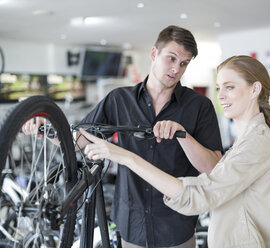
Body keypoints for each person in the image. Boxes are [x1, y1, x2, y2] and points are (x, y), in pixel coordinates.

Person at [79, 55, 270, 247]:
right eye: (219, 88)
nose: (221, 96)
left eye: (230, 87)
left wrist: (125, 157)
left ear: (254, 89)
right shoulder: (250, 138)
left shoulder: (257, 142)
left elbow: (200, 194)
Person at [76, 25, 223, 248]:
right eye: (171, 58)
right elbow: (79, 140)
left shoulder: (199, 106)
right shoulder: (119, 99)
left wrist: (183, 135)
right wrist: (45, 129)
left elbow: (213, 168)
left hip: (177, 227)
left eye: (184, 63)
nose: (176, 69)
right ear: (154, 53)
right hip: (131, 227)